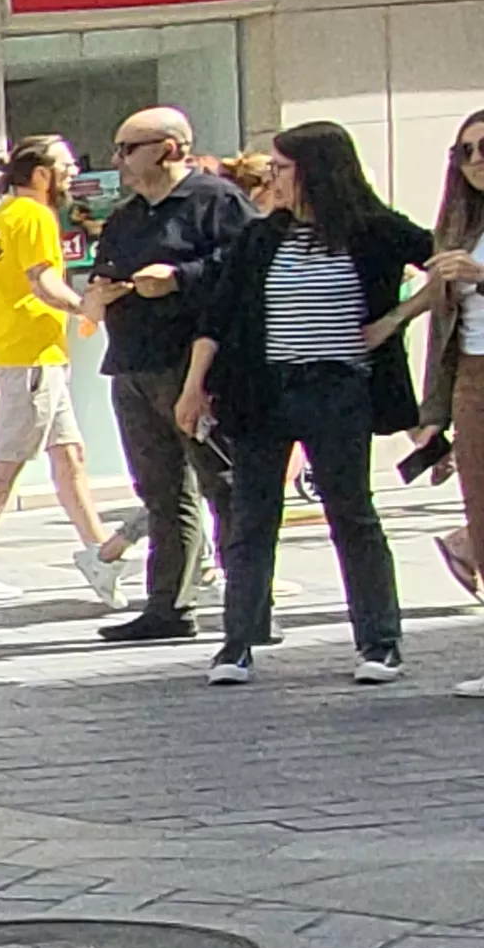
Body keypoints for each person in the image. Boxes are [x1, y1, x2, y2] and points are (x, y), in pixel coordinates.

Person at [181, 118, 437, 685]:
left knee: (352, 515)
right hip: (263, 391)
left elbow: (445, 262)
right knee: (251, 519)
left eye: (282, 168)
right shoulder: (259, 236)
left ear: (316, 172)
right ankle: (237, 645)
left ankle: (380, 642)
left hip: (338, 388)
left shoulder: (371, 229)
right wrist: (194, 386)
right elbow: (218, 316)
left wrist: (394, 318)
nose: (272, 178)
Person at [79, 106, 254, 643]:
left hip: (192, 364)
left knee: (222, 483)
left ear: (171, 148)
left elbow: (249, 265)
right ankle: (169, 606)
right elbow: (101, 272)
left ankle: (249, 602)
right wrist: (102, 293)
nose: (119, 161)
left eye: (129, 149)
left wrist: (180, 277)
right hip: (133, 364)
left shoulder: (216, 201)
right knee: (160, 491)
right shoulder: (129, 215)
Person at [0, 135, 118, 605]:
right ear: (40, 174)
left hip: (24, 356)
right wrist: (87, 308)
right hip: (31, 358)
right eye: (66, 165)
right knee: (5, 467)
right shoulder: (37, 217)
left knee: (70, 456)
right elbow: (43, 283)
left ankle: (101, 553)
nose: (74, 173)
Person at [419, 111, 484, 677]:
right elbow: (441, 315)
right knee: (479, 508)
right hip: (471, 371)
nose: (477, 159)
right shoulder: (464, 222)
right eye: (466, 152)